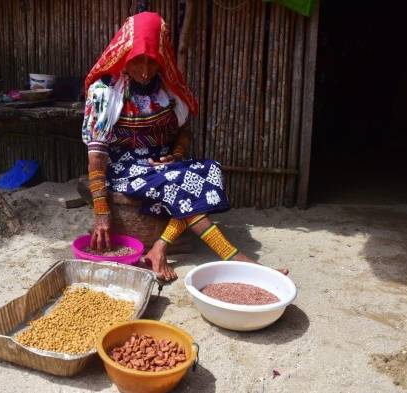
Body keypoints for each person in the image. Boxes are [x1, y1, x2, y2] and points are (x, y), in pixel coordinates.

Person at [82, 12, 287, 281]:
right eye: (137, 61)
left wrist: (175, 154)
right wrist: (101, 213)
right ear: (125, 55)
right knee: (182, 181)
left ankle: (160, 246)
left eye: (152, 62)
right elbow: (96, 156)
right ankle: (237, 259)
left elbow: (183, 133)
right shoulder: (106, 92)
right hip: (123, 167)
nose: (145, 70)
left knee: (208, 170)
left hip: (161, 163)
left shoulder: (167, 89)